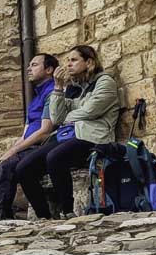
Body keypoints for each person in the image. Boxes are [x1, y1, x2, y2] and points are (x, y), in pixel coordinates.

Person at [14, 45, 120, 219]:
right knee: (24, 167)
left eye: (74, 60)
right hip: (69, 135)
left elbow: (90, 111)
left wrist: (68, 116)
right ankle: (44, 217)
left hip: (93, 137)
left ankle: (67, 210)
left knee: (55, 157)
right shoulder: (73, 86)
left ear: (89, 62)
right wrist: (57, 87)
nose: (68, 64)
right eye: (67, 60)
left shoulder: (105, 82)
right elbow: (56, 118)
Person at [0, 53, 58, 220]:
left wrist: (13, 152)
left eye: (34, 65)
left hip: (41, 147)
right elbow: (24, 134)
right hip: (26, 147)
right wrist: (10, 151)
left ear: (49, 69)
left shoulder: (53, 92)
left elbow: (44, 131)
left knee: (8, 166)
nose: (28, 68)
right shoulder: (35, 99)